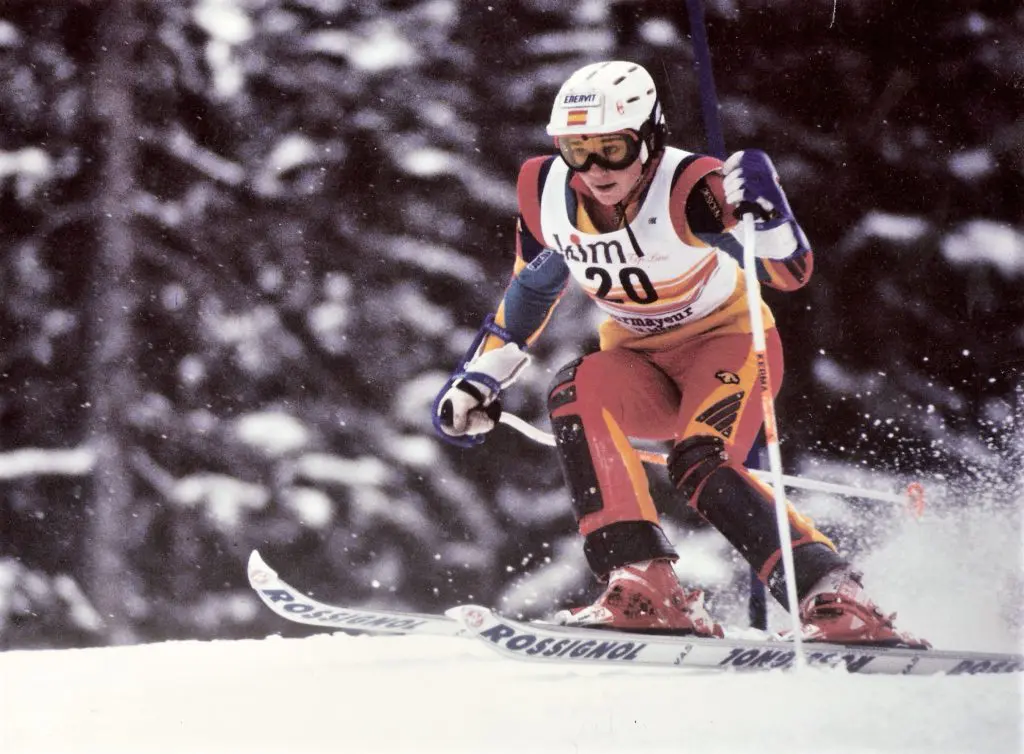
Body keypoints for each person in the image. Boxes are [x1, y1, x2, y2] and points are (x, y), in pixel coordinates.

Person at [433, 61, 928, 648]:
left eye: (613, 149)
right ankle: (644, 584)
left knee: (700, 463)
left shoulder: (693, 190)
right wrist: (481, 375)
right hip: (640, 362)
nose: (596, 170)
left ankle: (835, 594)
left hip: (729, 349)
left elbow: (789, 273)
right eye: (577, 150)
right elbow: (532, 288)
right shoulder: (545, 191)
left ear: (649, 137)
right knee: (574, 390)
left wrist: (770, 218)